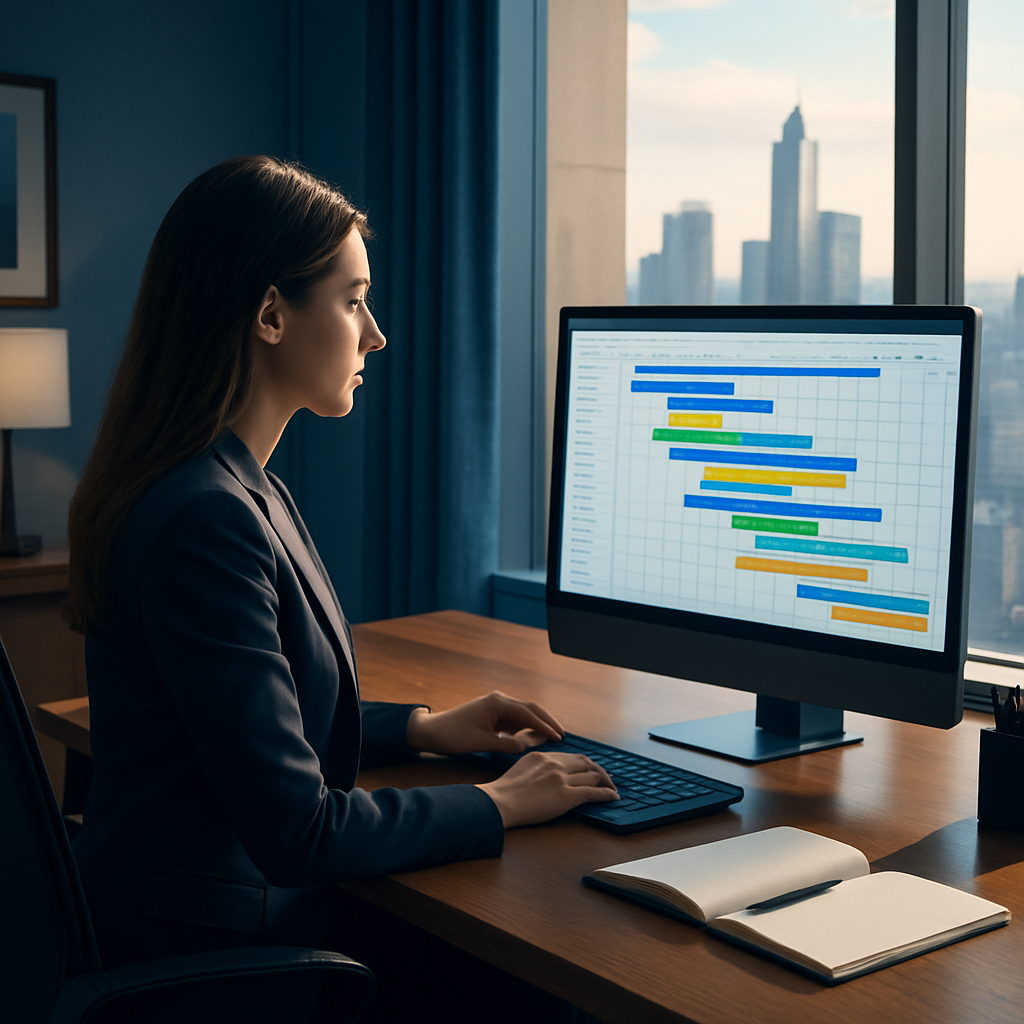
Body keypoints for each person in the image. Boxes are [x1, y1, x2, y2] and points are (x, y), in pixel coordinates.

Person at [66, 155, 617, 972]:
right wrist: (501, 802)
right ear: (270, 315)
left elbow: (250, 720)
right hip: (213, 952)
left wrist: (425, 728)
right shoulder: (208, 518)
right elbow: (299, 830)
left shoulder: (232, 486)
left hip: (205, 913)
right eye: (354, 301)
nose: (376, 333)